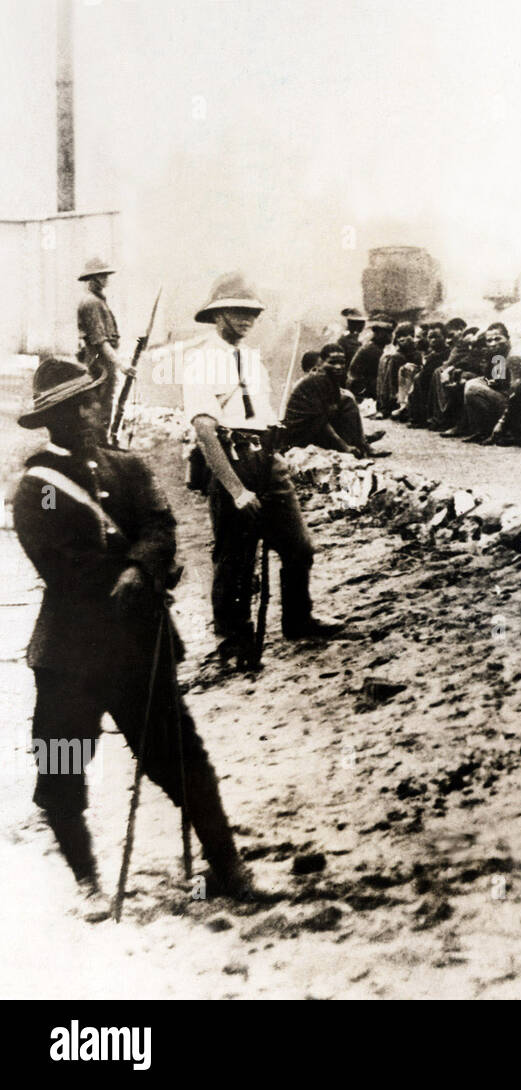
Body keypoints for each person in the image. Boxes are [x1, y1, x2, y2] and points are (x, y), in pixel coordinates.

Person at [12, 356, 265, 905]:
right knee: (61, 771)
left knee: (184, 763)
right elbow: (61, 563)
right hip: (69, 660)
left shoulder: (128, 466)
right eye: (74, 406)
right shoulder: (41, 486)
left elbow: (160, 523)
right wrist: (127, 569)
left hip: (138, 649)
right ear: (51, 418)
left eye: (92, 401)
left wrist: (139, 566)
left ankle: (228, 867)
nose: (89, 412)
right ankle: (87, 883)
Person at [183, 272, 346, 668]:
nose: (247, 319)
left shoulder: (252, 361)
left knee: (299, 547)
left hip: (267, 460)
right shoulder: (200, 362)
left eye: (252, 313)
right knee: (234, 558)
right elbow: (205, 430)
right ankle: (233, 643)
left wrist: (276, 454)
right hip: (230, 460)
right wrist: (237, 490)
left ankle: (298, 619)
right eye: (238, 311)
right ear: (217, 314)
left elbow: (264, 417)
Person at [282, 342, 382, 456]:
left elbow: (334, 408)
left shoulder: (331, 379)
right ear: (322, 362)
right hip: (299, 435)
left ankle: (361, 442)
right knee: (343, 405)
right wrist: (344, 447)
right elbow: (321, 421)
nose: (338, 367)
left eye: (342, 363)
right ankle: (359, 442)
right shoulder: (317, 381)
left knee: (347, 401)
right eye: (332, 363)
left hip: (314, 429)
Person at [75, 258, 123, 442]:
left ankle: (101, 444)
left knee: (105, 405)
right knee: (99, 407)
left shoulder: (98, 301)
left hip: (103, 362)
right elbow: (100, 341)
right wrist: (122, 365)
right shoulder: (91, 303)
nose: (106, 279)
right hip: (99, 363)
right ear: (93, 279)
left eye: (105, 275)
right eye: (102, 275)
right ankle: (98, 447)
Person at [347, 316, 393, 402]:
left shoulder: (374, 347)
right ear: (377, 333)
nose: (390, 335)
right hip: (360, 391)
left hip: (362, 387)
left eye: (391, 332)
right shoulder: (372, 349)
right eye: (387, 332)